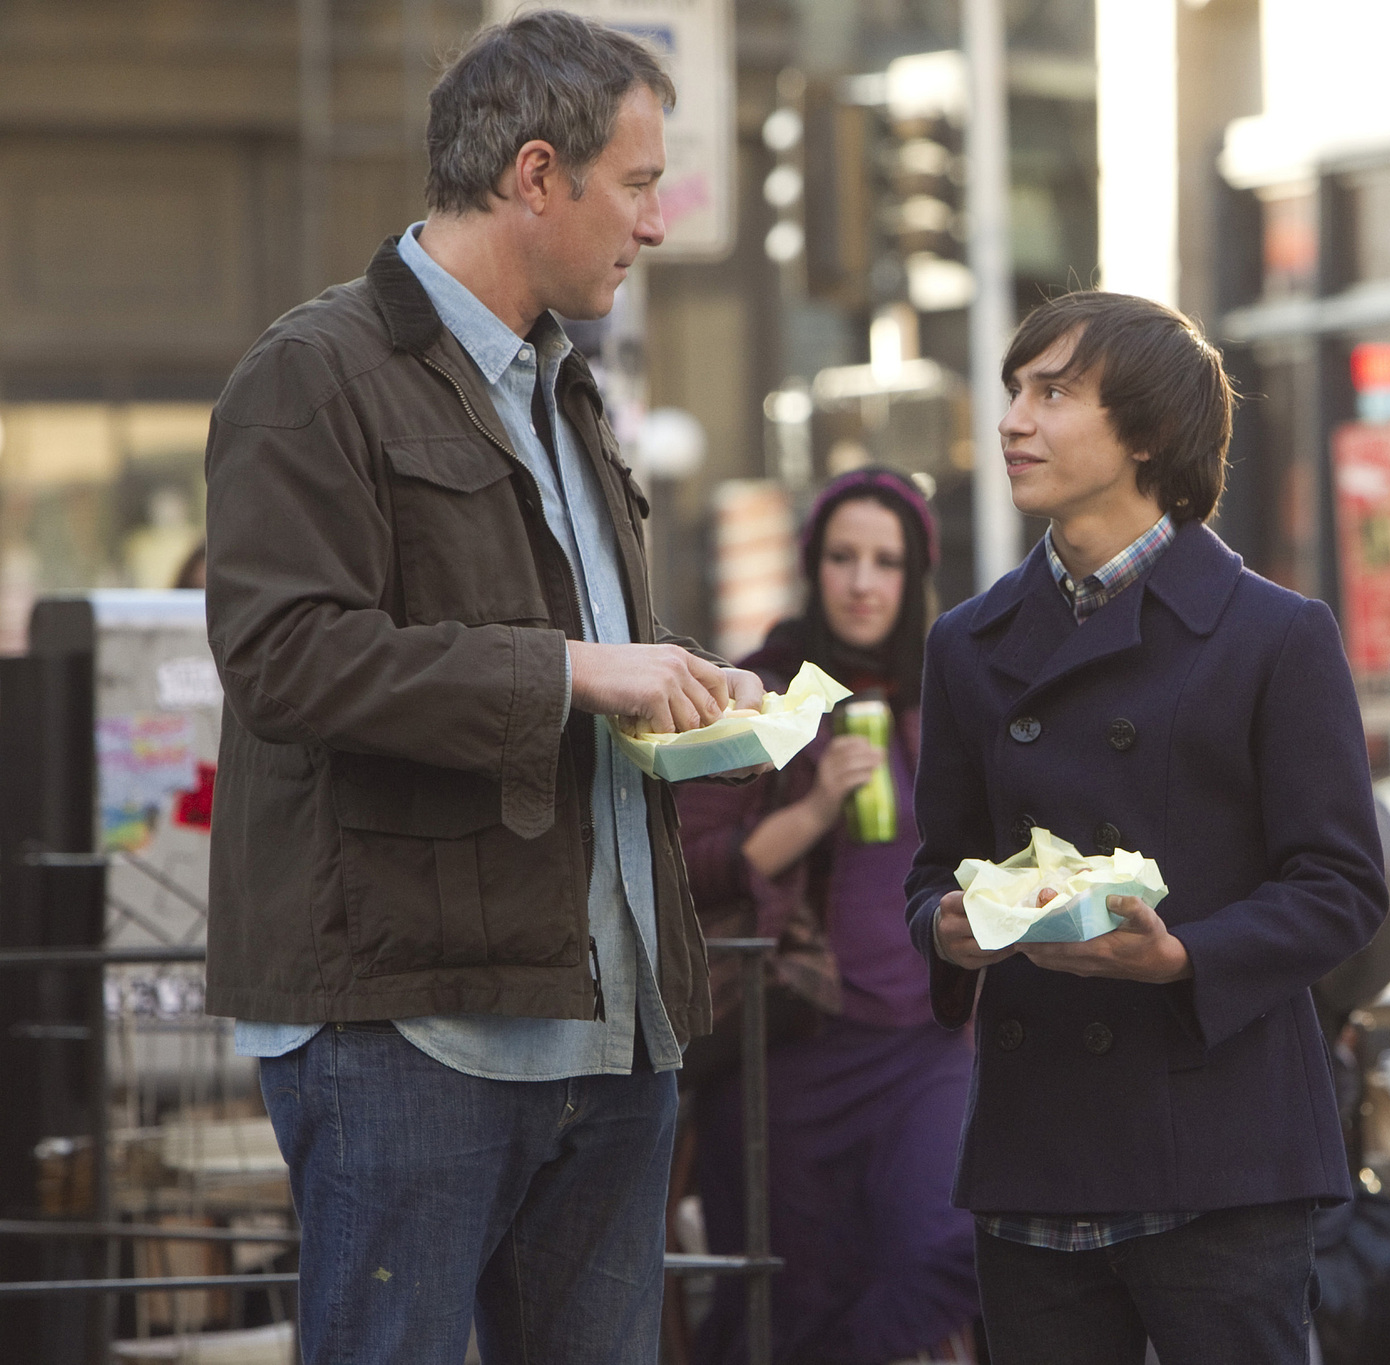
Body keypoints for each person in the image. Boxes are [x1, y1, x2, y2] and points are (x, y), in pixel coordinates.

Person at [202, 14, 762, 1363]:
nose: (657, 224)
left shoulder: (569, 389)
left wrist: (683, 687)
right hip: (408, 1027)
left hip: (613, 1026)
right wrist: (576, 670)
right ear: (534, 176)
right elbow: (286, 657)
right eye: (638, 184)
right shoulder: (311, 373)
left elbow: (563, 659)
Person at [904, 291, 1388, 1365]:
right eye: (1012, 392)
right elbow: (935, 869)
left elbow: (1342, 883)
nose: (1012, 421)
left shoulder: (1273, 635)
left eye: (1052, 393)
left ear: (1148, 435)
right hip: (1037, 1147)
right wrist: (943, 926)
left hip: (1217, 1151)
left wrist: (1182, 957)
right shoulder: (967, 645)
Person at [681, 467, 979, 1365]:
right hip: (792, 1041)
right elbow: (687, 871)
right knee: (788, 1296)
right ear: (813, 568)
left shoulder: (955, 697)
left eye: (886, 561)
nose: (862, 581)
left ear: (914, 575)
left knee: (947, 1246)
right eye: (843, 557)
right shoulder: (763, 697)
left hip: (928, 1041)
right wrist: (810, 812)